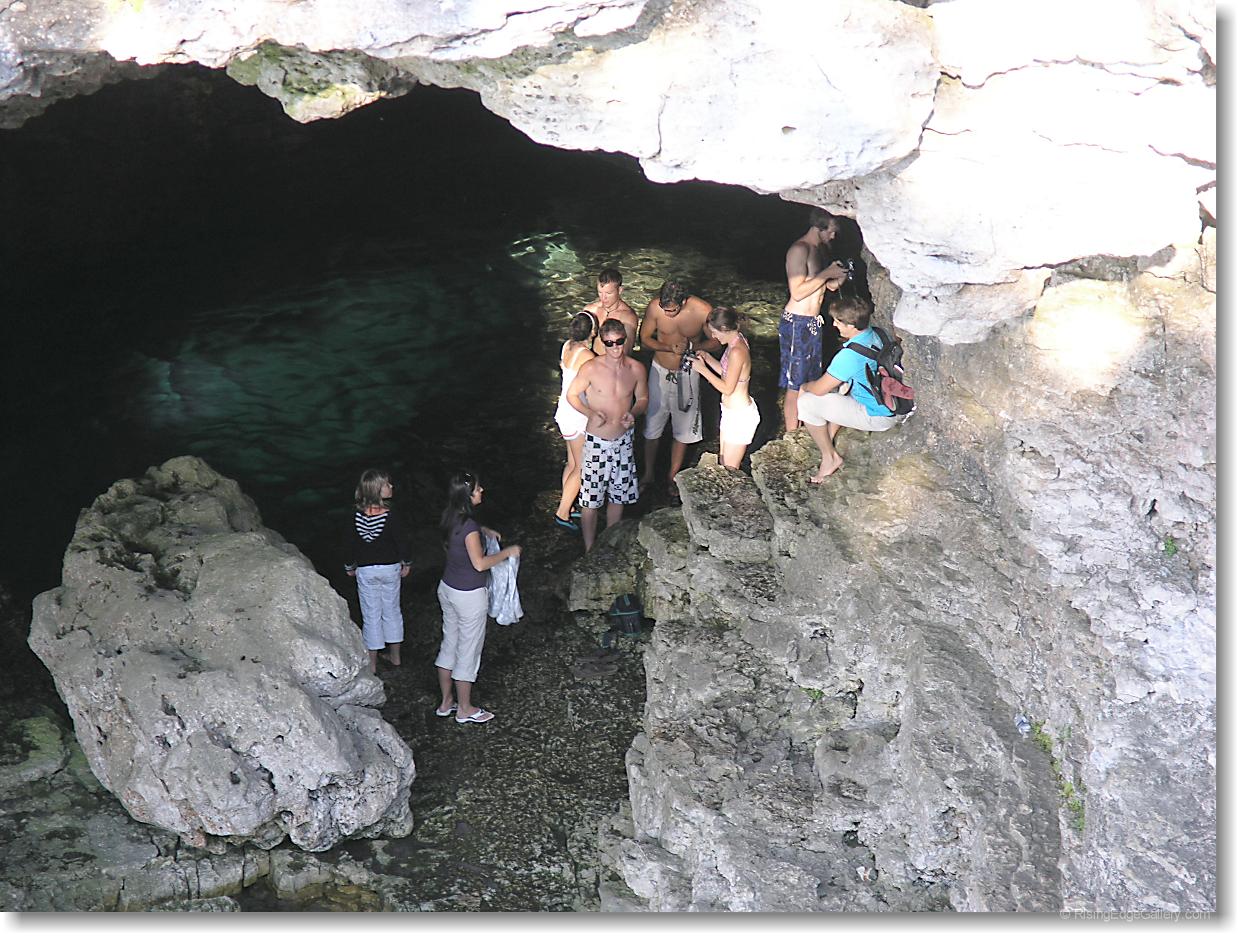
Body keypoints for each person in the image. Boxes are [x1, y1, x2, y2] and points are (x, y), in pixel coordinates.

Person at [435, 472, 521, 724]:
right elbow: (480, 564)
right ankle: (465, 709)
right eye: (477, 488)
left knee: (449, 644)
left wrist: (485, 531)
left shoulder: (450, 516)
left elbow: (465, 534)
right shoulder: (469, 527)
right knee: (468, 651)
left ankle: (445, 702)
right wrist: (508, 552)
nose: (481, 490)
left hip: (447, 588)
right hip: (469, 596)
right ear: (467, 495)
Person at [796, 296, 901, 484]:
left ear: (851, 325)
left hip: (878, 416)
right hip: (894, 404)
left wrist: (804, 386)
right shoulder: (878, 333)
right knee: (841, 385)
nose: (834, 325)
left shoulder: (849, 357)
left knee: (806, 402)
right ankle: (828, 434)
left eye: (838, 321)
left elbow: (818, 389)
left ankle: (830, 457)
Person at [565, 317, 649, 552]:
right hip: (597, 442)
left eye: (619, 342)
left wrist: (634, 413)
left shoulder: (636, 368)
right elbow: (572, 395)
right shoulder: (591, 368)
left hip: (623, 441)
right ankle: (589, 548)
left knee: (618, 496)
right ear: (602, 343)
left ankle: (610, 545)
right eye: (609, 343)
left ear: (626, 339)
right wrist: (589, 413)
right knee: (591, 499)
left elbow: (643, 398)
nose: (615, 348)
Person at [638, 279, 716, 497]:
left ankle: (672, 477)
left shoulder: (702, 310)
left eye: (672, 310)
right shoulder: (655, 308)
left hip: (688, 371)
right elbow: (644, 339)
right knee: (652, 424)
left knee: (683, 428)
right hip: (659, 369)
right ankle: (648, 474)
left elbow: (716, 341)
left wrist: (691, 346)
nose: (668, 314)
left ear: (683, 302)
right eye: (665, 309)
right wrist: (667, 347)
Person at [781, 207, 852, 432]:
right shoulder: (799, 250)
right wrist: (826, 273)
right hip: (797, 322)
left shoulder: (819, 250)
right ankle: (791, 435)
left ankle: (804, 427)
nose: (834, 235)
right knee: (794, 385)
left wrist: (838, 278)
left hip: (813, 322)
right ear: (819, 227)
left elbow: (824, 286)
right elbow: (798, 292)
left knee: (808, 381)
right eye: (831, 230)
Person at [344, 469, 412, 675]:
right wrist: (407, 563)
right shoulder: (391, 516)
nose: (391, 487)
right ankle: (395, 656)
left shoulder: (355, 515)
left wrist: (349, 566)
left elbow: (349, 544)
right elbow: (402, 542)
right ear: (377, 490)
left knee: (371, 615)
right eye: (387, 484)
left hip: (366, 570)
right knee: (392, 611)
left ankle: (372, 664)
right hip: (390, 569)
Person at [692, 306, 759, 471]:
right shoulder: (735, 341)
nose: (713, 337)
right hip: (729, 412)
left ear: (724, 328)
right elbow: (727, 373)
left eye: (714, 332)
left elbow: (728, 388)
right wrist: (707, 358)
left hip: (740, 416)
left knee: (730, 469)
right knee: (722, 463)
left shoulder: (737, 351)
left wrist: (703, 370)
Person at [553, 312, 598, 532]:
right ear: (592, 332)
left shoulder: (567, 346)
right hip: (577, 413)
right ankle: (562, 513)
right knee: (582, 466)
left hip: (564, 411)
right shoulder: (588, 356)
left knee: (572, 463)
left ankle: (568, 504)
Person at [582, 267, 640, 354]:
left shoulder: (627, 317)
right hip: (592, 358)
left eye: (608, 293)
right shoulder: (591, 310)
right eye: (600, 292)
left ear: (619, 290)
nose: (603, 298)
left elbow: (626, 352)